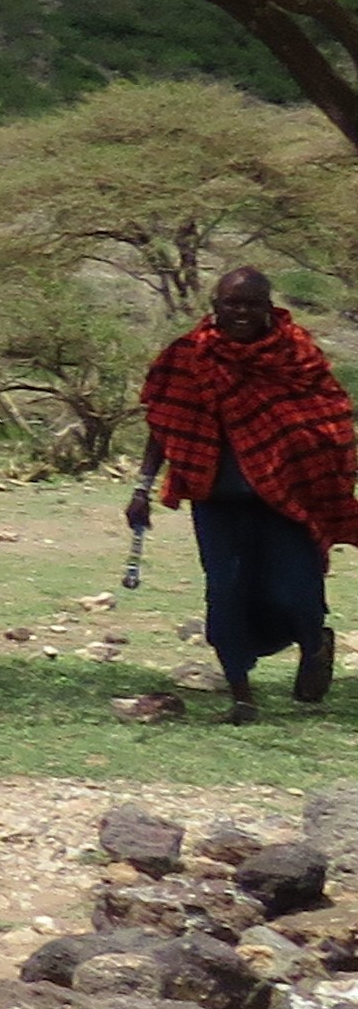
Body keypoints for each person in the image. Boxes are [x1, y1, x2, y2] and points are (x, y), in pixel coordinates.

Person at [135, 267, 358, 723]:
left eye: (251, 304)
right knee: (225, 593)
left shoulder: (296, 355)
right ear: (215, 305)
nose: (240, 312)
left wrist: (317, 466)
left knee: (295, 593)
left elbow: (329, 418)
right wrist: (142, 487)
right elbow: (165, 423)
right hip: (217, 501)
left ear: (268, 307)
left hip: (284, 500)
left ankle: (314, 643)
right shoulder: (188, 357)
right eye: (231, 303)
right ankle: (242, 697)